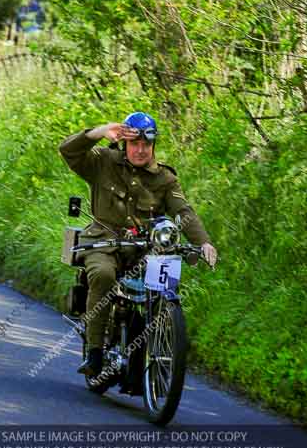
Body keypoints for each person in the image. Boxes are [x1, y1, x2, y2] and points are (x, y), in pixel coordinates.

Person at [59, 112, 218, 377]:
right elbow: (67, 151)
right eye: (135, 144)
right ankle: (96, 352)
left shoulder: (165, 178)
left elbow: (184, 212)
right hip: (104, 242)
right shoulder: (104, 161)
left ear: (153, 145)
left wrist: (204, 243)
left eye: (146, 144)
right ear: (125, 143)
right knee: (103, 275)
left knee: (165, 286)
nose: (140, 150)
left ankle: (158, 350)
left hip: (145, 249)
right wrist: (98, 132)